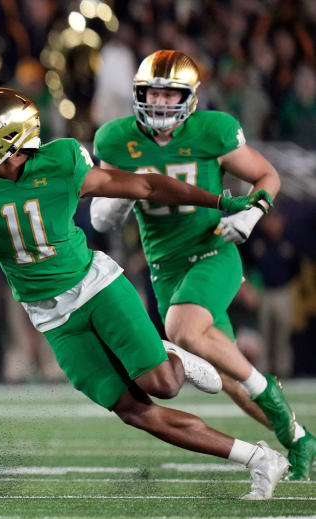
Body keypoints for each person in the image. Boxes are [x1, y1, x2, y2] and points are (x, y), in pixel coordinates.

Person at [0, 87, 288, 500]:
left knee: (165, 384)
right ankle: (260, 460)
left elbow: (146, 187)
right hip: (51, 317)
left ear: (7, 136)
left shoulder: (61, 161)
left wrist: (220, 201)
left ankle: (173, 356)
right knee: (136, 413)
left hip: (96, 287)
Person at [89, 50, 315, 481]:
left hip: (213, 250)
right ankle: (300, 438)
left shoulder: (213, 130)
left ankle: (266, 390)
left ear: (190, 97)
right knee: (229, 379)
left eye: (168, 93)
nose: (157, 101)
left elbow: (267, 176)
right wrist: (114, 204)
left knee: (181, 330)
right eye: (151, 92)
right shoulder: (117, 139)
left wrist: (250, 213)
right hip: (164, 268)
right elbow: (103, 212)